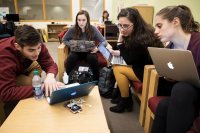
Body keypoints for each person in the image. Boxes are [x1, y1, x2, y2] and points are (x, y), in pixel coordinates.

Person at [151, 5, 200, 133]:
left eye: (159, 26)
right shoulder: (170, 48)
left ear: (175, 22)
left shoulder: (198, 43)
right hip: (187, 97)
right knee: (163, 106)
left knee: (181, 89)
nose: (155, 31)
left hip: (188, 95)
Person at [0, 25, 64, 117]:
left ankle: (28, 90)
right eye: (31, 50)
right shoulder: (4, 55)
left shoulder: (36, 45)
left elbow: (50, 64)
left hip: (19, 68)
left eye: (39, 48)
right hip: (3, 70)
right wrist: (42, 88)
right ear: (17, 46)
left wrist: (50, 77)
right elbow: (6, 93)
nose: (37, 53)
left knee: (36, 66)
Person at [108, 8, 164, 113]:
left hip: (149, 71)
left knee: (117, 68)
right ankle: (122, 97)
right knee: (117, 64)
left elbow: (129, 59)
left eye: (125, 26)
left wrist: (120, 42)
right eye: (119, 25)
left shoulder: (141, 38)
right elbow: (132, 53)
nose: (122, 29)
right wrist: (120, 50)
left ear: (136, 24)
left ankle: (125, 101)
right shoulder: (141, 32)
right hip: (142, 65)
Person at [62, 10, 107, 81]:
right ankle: (68, 78)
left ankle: (96, 80)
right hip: (77, 51)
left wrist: (97, 48)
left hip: (89, 51)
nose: (81, 23)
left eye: (83, 20)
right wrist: (72, 45)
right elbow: (64, 40)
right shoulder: (72, 29)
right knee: (71, 57)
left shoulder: (93, 29)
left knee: (92, 58)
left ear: (87, 20)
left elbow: (104, 42)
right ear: (76, 20)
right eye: (79, 20)